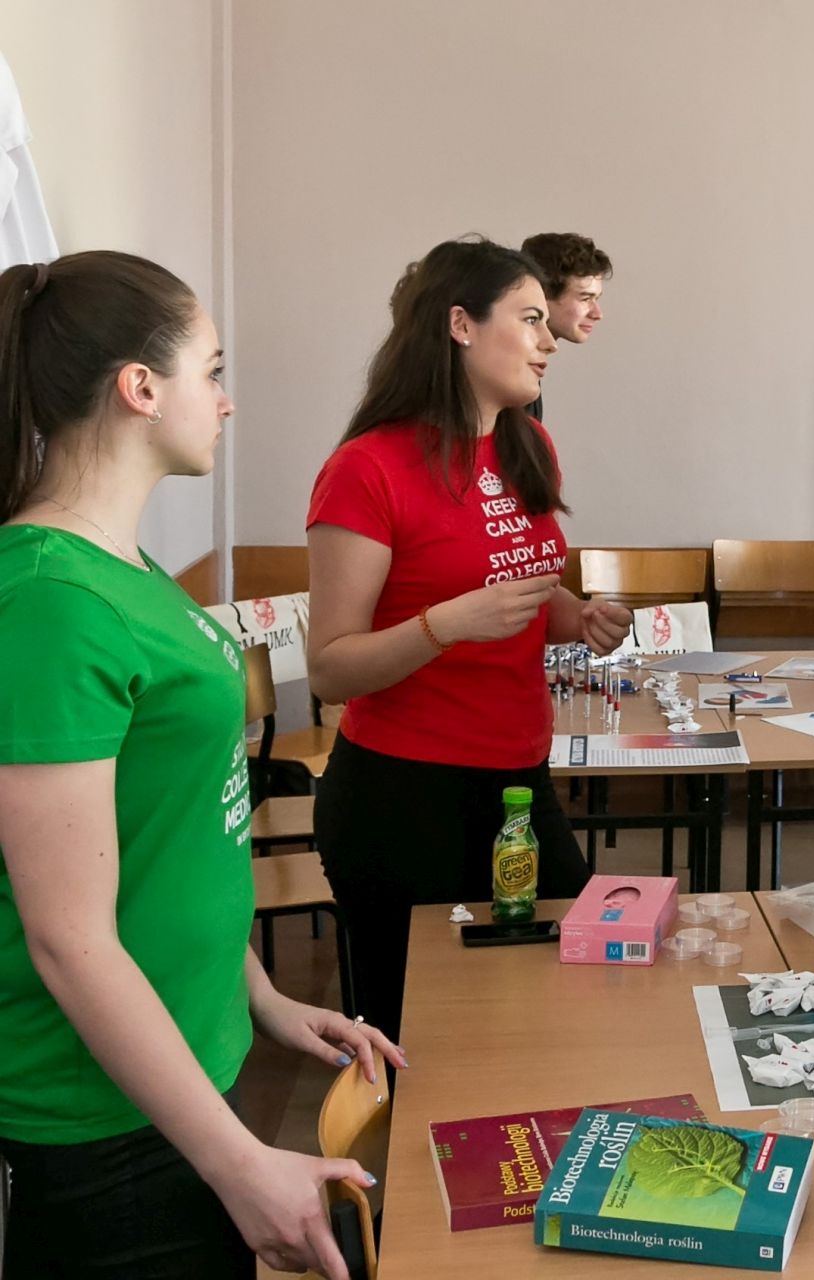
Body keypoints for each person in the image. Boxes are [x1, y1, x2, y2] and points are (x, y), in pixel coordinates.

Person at [0, 252, 402, 1280]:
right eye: (212, 372)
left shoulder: (123, 568)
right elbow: (68, 938)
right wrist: (238, 1161)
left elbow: (177, 838)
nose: (225, 401)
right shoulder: (49, 601)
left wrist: (261, 997)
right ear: (141, 387)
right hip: (101, 1122)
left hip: (183, 1063)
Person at [307, 238, 631, 1043]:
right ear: (460, 325)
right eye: (530, 319)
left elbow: (520, 586)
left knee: (554, 1006)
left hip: (516, 778)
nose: (550, 339)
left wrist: (576, 616)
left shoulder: (527, 444)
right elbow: (330, 669)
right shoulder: (367, 468)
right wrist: (444, 625)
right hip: (401, 795)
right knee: (420, 1038)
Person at [518, 231, 611, 422]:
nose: (597, 314)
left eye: (596, 299)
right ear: (541, 294)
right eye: (585, 298)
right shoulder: (509, 373)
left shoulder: (527, 367)